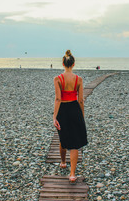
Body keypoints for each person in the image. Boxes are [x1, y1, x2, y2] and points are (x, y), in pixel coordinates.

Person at [53, 50, 88, 184]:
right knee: (75, 144)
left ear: (63, 63)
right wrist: (82, 115)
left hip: (63, 110)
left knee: (63, 136)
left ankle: (63, 162)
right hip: (74, 109)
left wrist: (54, 117)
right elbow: (81, 100)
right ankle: (72, 174)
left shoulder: (58, 79)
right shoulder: (78, 79)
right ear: (73, 64)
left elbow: (57, 99)